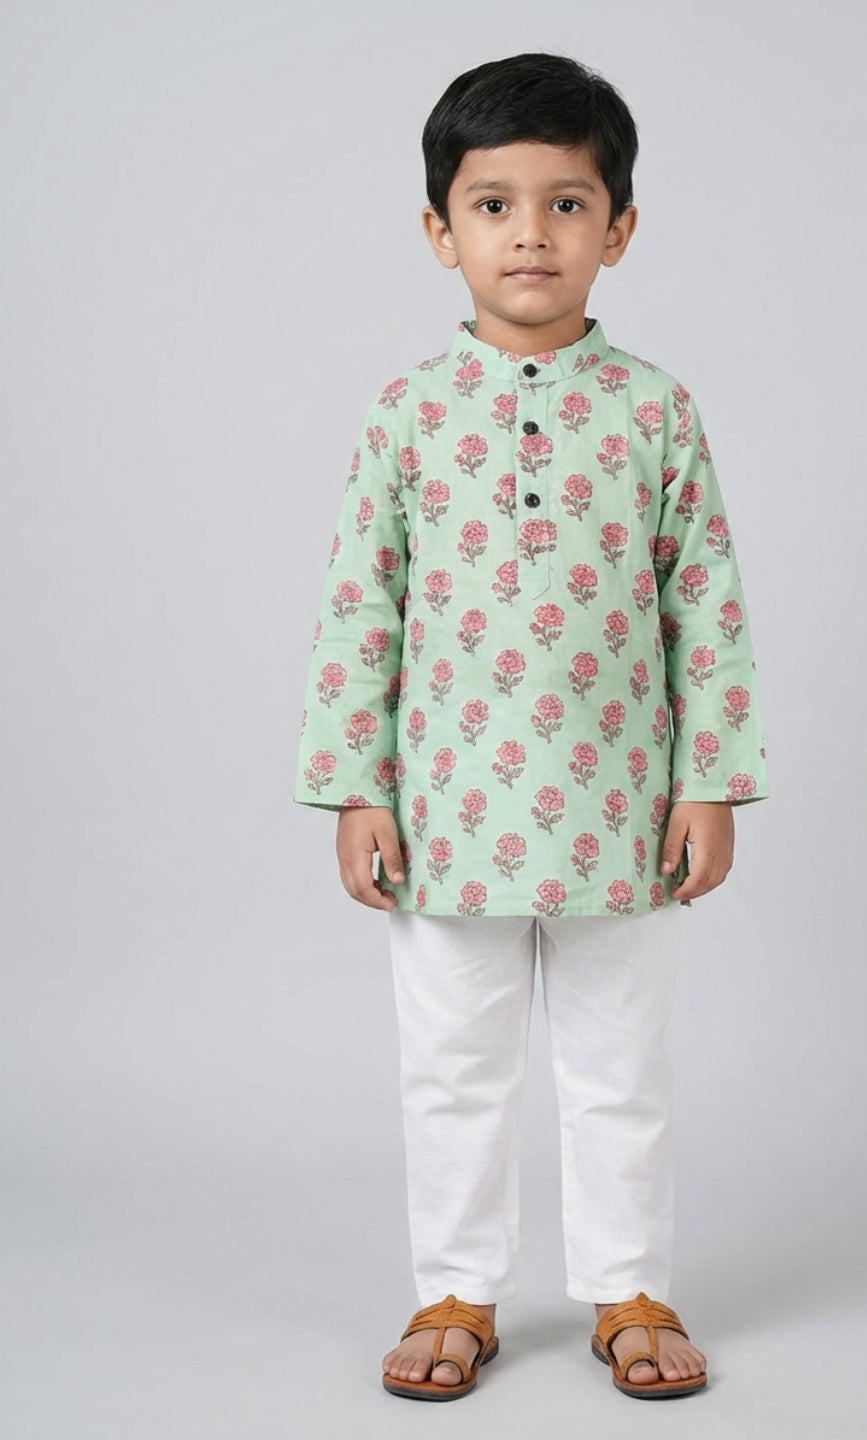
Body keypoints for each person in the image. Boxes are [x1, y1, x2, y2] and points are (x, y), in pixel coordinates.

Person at [294, 51, 770, 1402]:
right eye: (493, 204)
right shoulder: (407, 415)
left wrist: (709, 781)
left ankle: (631, 1288)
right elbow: (360, 607)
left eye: (567, 204)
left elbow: (705, 600)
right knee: (454, 1068)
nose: (530, 234)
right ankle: (455, 1289)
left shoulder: (656, 411)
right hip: (446, 810)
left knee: (620, 1070)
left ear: (619, 229)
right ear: (439, 229)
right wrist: (359, 788)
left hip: (626, 809)